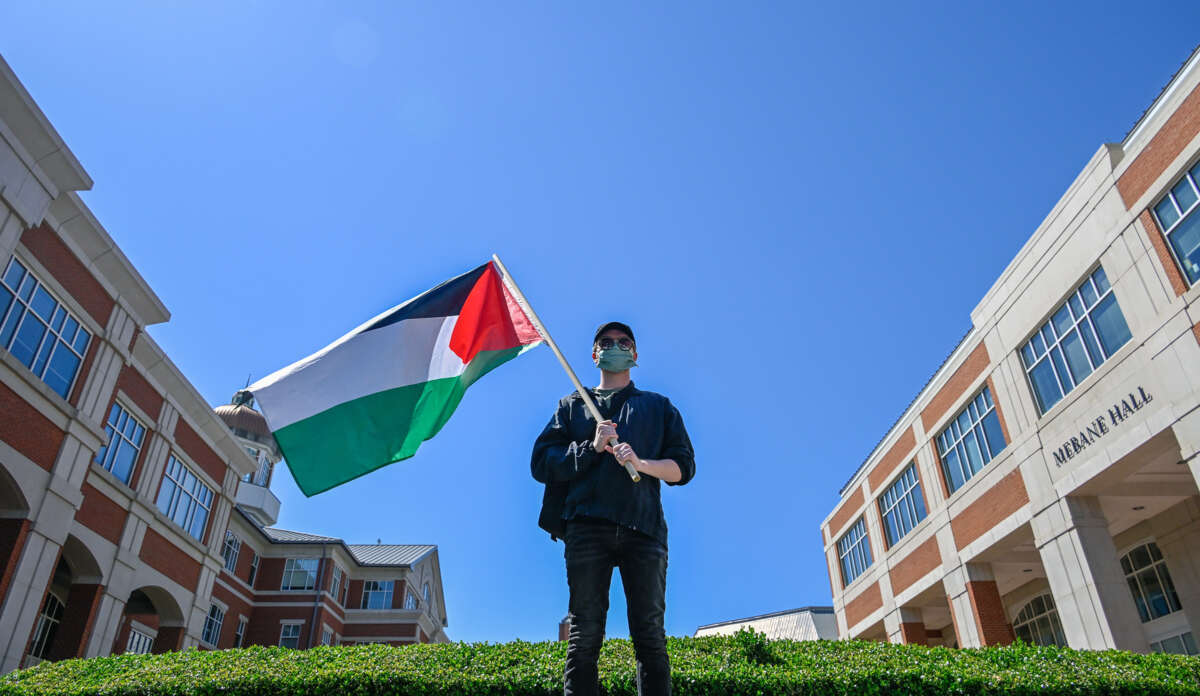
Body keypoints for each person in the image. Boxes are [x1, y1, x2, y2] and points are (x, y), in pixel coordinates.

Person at [531, 321, 696, 696]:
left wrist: (642, 465)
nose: (615, 347)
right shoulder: (571, 406)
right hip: (586, 527)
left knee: (649, 635)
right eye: (606, 343)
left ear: (635, 354)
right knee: (584, 632)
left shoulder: (658, 407)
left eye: (624, 342)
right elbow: (542, 463)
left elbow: (683, 467)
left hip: (644, 529)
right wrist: (590, 446)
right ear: (594, 355)